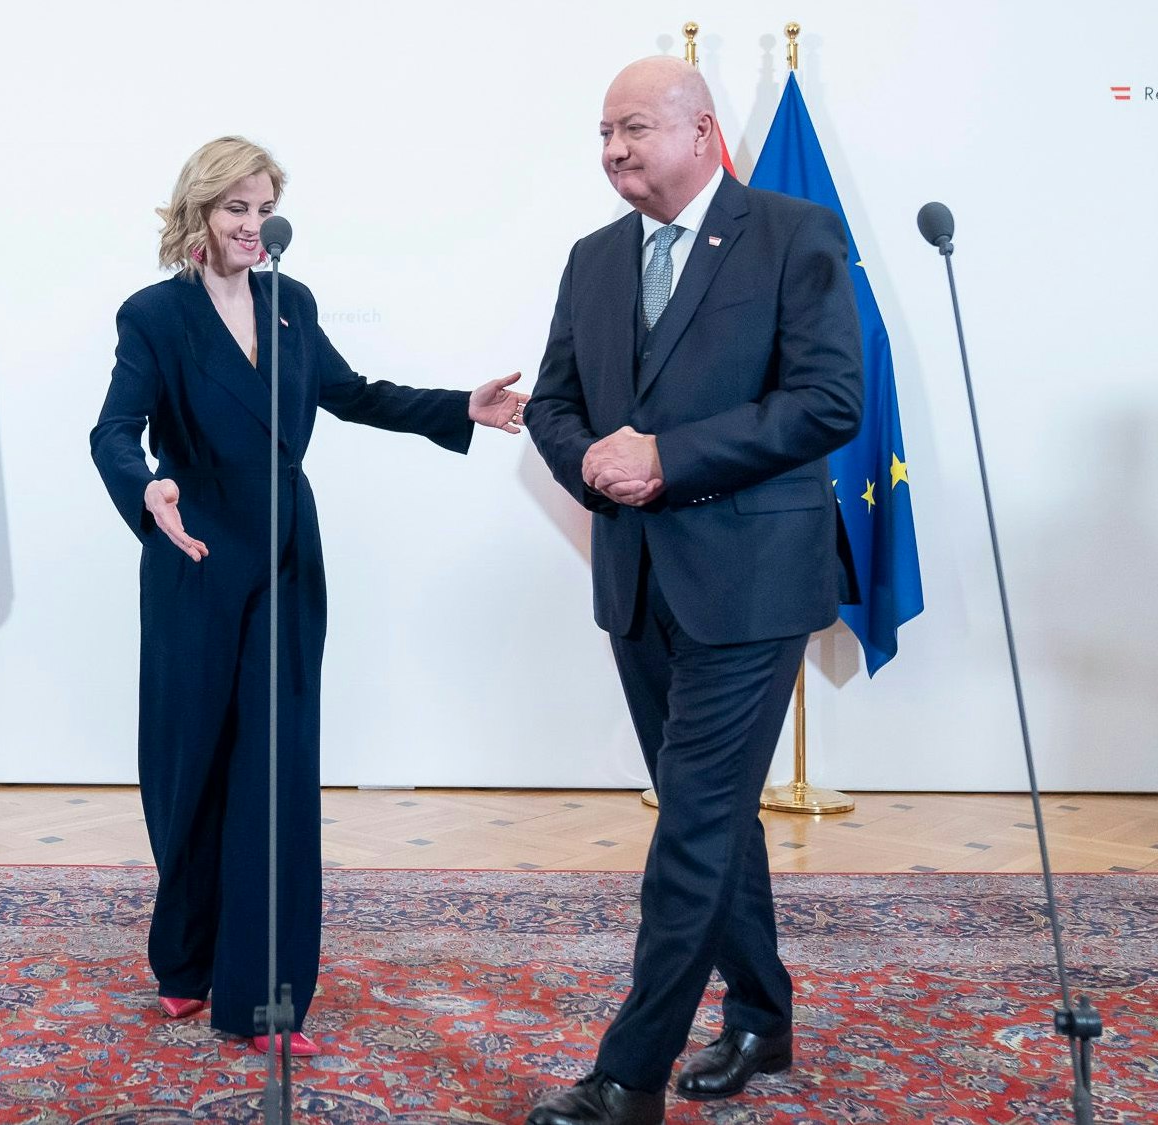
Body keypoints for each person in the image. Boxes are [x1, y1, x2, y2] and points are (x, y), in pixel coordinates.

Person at [90, 137, 527, 1056]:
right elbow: (113, 430)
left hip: (287, 557)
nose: (254, 225)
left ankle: (264, 999)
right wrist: (147, 488)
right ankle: (185, 958)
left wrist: (459, 407)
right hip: (194, 554)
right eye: (236, 208)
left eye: (265, 209)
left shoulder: (293, 303)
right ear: (199, 211)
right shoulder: (154, 315)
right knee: (187, 768)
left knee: (275, 778)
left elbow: (351, 393)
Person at [523, 57, 863, 1125]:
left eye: (632, 128)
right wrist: (593, 462)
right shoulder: (592, 259)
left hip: (753, 584)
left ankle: (628, 1076)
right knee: (705, 813)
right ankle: (761, 1017)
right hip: (636, 582)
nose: (613, 150)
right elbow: (553, 402)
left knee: (695, 823)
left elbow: (829, 401)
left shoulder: (793, 234)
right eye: (603, 132)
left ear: (702, 131)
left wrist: (667, 457)